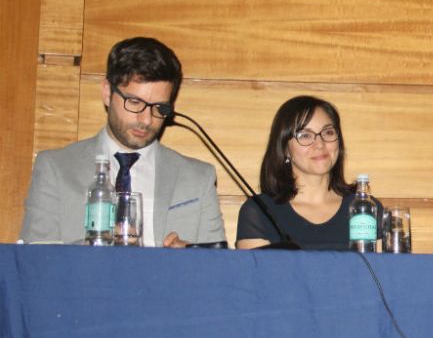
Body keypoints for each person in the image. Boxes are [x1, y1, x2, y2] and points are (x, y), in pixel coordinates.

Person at [20, 37, 225, 247]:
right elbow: (35, 262)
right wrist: (98, 245)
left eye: (159, 108)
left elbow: (218, 269)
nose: (146, 120)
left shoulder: (199, 177)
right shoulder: (56, 168)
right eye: (134, 102)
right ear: (107, 93)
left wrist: (190, 260)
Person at [236, 95, 380, 250]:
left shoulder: (365, 208)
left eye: (328, 132)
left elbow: (382, 271)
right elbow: (256, 273)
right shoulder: (260, 211)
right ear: (285, 149)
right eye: (305, 135)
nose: (320, 143)